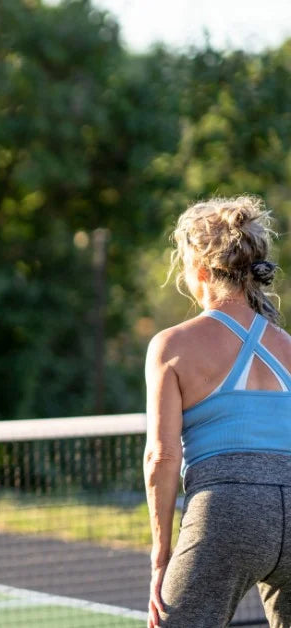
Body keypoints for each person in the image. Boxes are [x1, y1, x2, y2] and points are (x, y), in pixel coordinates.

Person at [145, 195, 291, 627]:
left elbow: (162, 456)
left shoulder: (172, 346)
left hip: (225, 509)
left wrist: (161, 554)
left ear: (201, 270)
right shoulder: (288, 346)